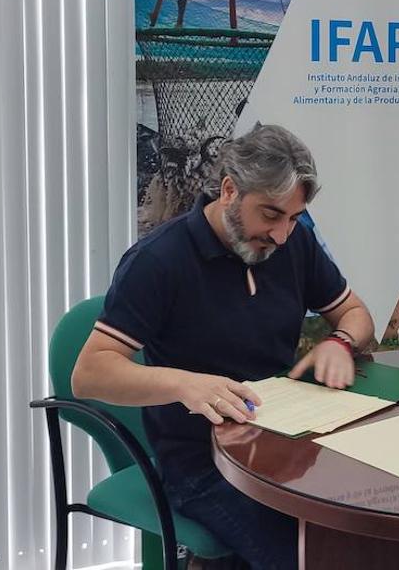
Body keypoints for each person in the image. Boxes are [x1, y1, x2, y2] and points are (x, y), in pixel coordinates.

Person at [72, 124, 375, 570]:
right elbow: (90, 373)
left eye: (294, 217)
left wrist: (340, 341)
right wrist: (185, 384)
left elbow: (356, 313)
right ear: (230, 189)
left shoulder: (294, 244)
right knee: (303, 557)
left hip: (286, 446)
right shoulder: (159, 260)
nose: (282, 235)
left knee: (359, 532)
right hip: (202, 462)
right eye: (271, 215)